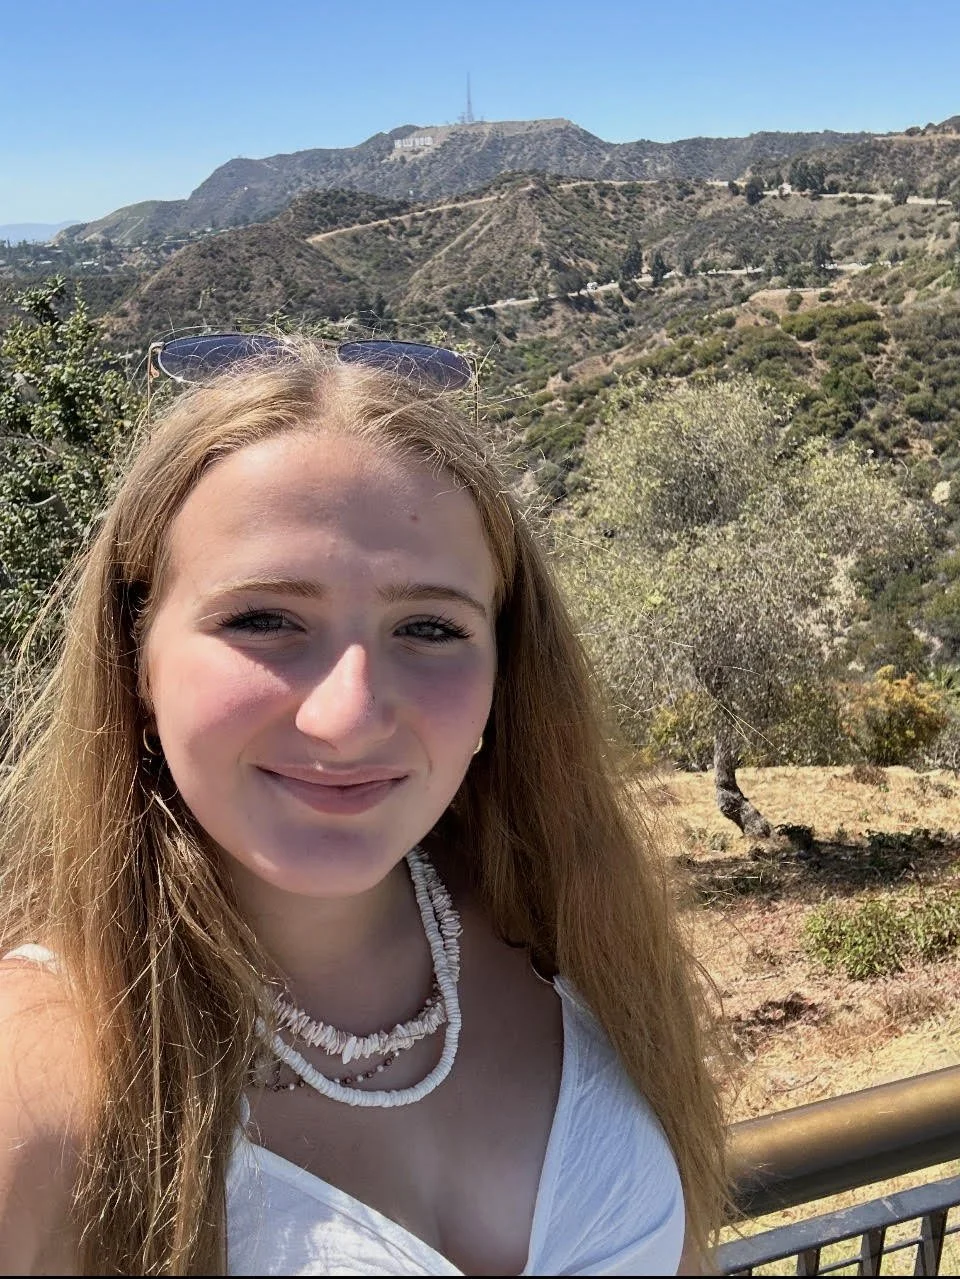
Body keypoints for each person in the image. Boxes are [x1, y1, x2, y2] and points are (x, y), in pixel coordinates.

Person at [0, 336, 728, 1275]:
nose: (347, 717)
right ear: (137, 659)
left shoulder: (575, 938)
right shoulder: (40, 1079)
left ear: (507, 671)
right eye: (264, 619)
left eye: (428, 627)